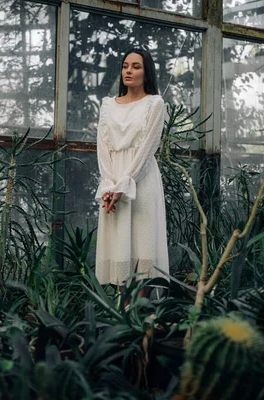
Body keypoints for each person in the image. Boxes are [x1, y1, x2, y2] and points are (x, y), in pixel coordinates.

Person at [94, 48, 170, 289]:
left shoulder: (155, 104)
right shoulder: (107, 106)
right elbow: (103, 148)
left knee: (142, 247)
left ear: (146, 72)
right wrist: (109, 185)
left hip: (142, 182)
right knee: (119, 248)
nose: (129, 70)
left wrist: (125, 184)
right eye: (126, 65)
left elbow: (148, 148)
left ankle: (141, 318)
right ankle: (121, 315)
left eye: (136, 66)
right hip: (113, 181)